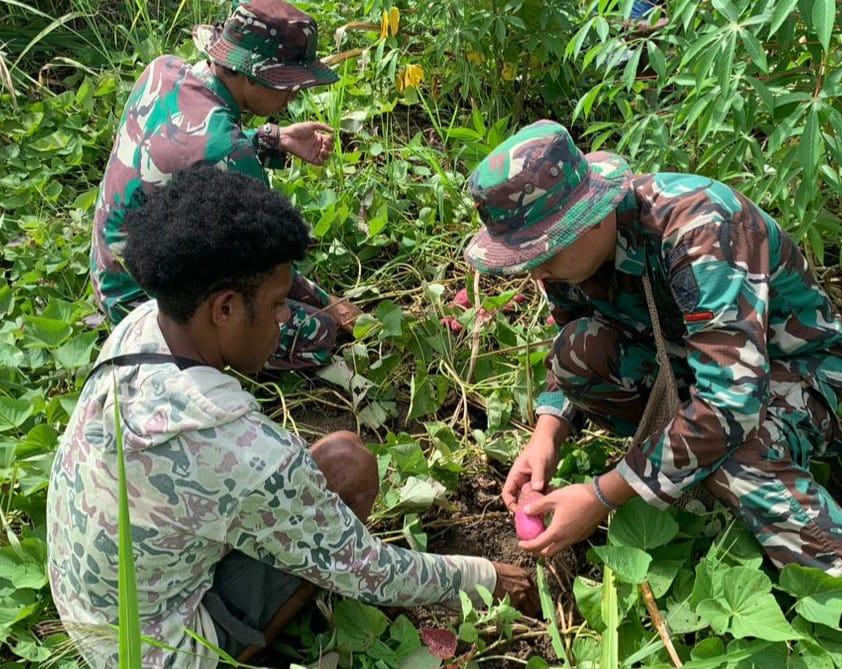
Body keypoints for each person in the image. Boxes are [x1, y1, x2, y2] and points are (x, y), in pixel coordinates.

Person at [50, 168, 538, 669]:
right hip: (157, 653)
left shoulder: (139, 329)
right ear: (224, 309)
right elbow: (367, 570)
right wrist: (485, 577)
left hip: (93, 607)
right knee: (344, 489)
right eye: (277, 303)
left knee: (343, 461)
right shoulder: (244, 452)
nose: (285, 318)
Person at [464, 119, 842, 610]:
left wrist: (603, 495)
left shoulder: (702, 229)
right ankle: (682, 458)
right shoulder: (569, 259)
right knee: (576, 352)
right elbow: (575, 326)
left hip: (794, 369)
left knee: (736, 456)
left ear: (592, 216)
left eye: (543, 252)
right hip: (690, 361)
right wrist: (547, 434)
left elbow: (730, 405)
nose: (536, 271)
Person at [90, 0, 360, 371]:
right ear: (250, 75)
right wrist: (333, 306)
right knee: (317, 331)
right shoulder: (228, 154)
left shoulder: (164, 69)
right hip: (143, 305)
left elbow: (184, 146)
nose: (294, 95)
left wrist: (273, 138)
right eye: (288, 83)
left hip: (108, 272)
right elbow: (267, 265)